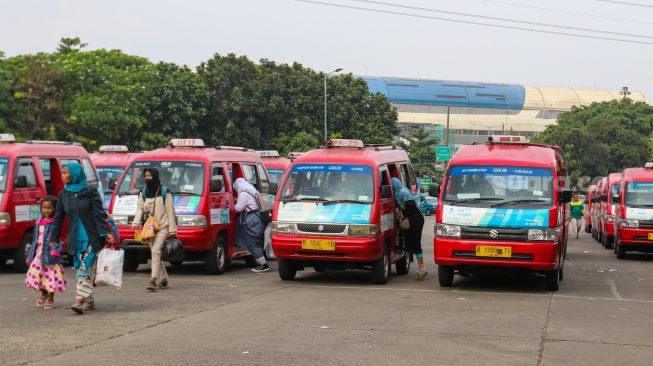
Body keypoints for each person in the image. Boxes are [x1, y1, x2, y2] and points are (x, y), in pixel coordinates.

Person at [50, 162, 108, 314]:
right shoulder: (64, 194)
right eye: (62, 173)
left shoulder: (90, 190)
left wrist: (105, 234)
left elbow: (98, 213)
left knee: (84, 268)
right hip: (75, 239)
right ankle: (89, 301)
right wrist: (53, 238)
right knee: (81, 269)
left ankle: (78, 300)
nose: (62, 176)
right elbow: (58, 218)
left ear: (74, 174)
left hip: (92, 237)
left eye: (65, 173)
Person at [132, 168, 177, 291]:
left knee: (155, 251)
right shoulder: (143, 193)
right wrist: (136, 222)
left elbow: (170, 211)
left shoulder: (164, 192)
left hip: (163, 226)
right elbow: (139, 208)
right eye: (145, 175)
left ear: (155, 176)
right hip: (150, 228)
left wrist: (173, 231)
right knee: (155, 253)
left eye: (149, 175)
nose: (147, 178)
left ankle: (153, 280)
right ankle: (164, 279)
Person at [25, 196, 67, 310]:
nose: (46, 210)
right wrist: (31, 255)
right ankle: (44, 293)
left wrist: (55, 250)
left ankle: (51, 298)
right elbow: (35, 239)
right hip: (38, 253)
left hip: (50, 254)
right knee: (36, 274)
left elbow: (56, 238)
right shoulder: (38, 222)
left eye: (49, 208)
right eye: (44, 207)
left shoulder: (54, 223)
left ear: (55, 209)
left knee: (51, 276)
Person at [391, 177, 427, 280]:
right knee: (407, 240)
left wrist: (400, 214)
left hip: (416, 220)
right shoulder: (398, 193)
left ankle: (422, 268)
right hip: (412, 219)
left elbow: (411, 206)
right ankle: (420, 267)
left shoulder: (402, 192)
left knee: (415, 243)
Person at [233, 178, 269, 273]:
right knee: (253, 241)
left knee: (251, 241)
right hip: (258, 218)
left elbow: (239, 208)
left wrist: (230, 206)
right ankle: (261, 262)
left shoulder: (243, 194)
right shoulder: (251, 189)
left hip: (253, 219)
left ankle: (263, 264)